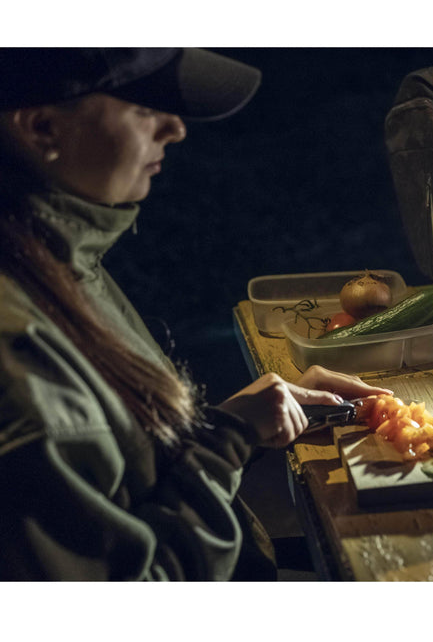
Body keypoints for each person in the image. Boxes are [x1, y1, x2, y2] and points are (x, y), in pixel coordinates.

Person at [0, 48, 391, 580]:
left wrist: (239, 425)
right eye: (145, 107)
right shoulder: (18, 355)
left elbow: (134, 475)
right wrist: (227, 439)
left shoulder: (60, 262)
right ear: (42, 127)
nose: (176, 128)